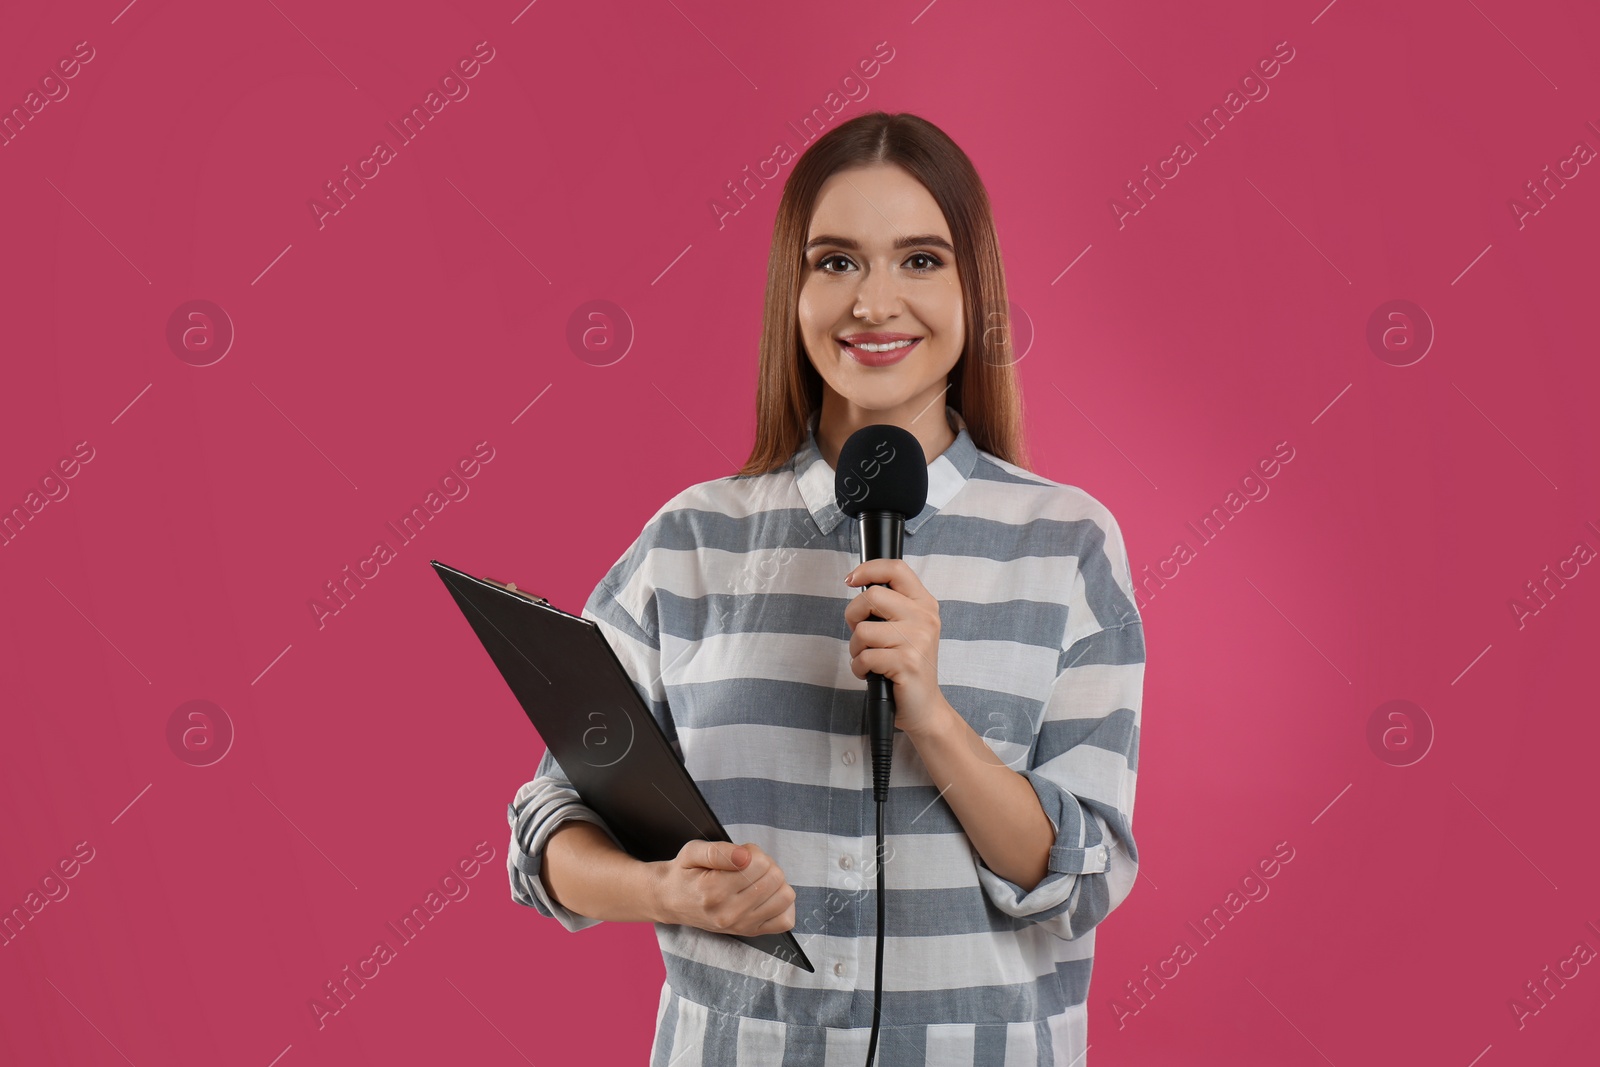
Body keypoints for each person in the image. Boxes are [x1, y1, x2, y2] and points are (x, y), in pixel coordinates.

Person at [507, 111, 1145, 1066]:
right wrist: (669, 893)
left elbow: (1081, 871)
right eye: (837, 261)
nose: (875, 303)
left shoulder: (1067, 545)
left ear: (975, 287)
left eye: (920, 260)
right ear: (792, 292)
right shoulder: (692, 541)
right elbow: (550, 823)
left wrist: (933, 714)